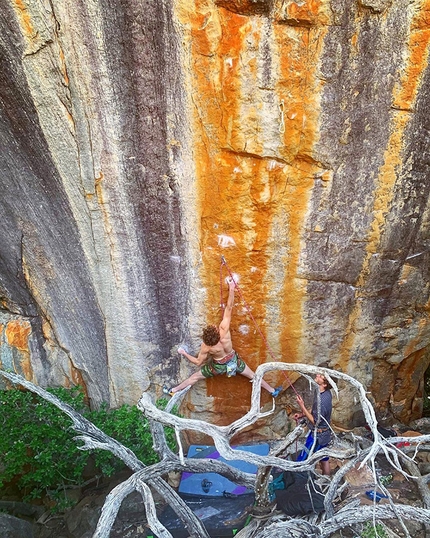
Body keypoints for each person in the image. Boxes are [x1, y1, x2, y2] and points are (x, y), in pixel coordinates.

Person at [164, 279, 282, 397]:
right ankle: (272, 391)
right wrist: (231, 288)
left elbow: (198, 362)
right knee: (253, 375)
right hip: (234, 362)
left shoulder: (206, 346)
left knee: (195, 377)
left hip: (218, 367)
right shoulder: (224, 330)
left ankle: (174, 390)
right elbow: (229, 308)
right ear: (216, 331)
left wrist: (184, 353)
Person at [293, 373, 333, 475]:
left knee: (303, 458)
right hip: (324, 433)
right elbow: (315, 409)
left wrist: (301, 405)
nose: (317, 375)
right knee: (324, 459)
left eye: (321, 376)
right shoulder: (321, 392)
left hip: (318, 435)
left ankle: (297, 478)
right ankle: (327, 481)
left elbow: (315, 421)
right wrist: (302, 414)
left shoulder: (323, 401)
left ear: (324, 384)